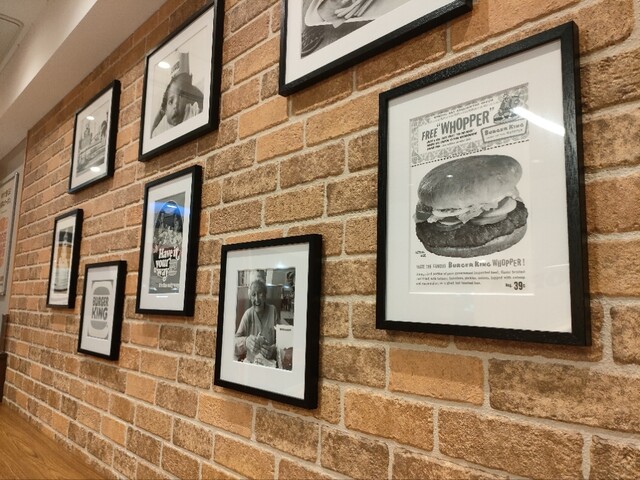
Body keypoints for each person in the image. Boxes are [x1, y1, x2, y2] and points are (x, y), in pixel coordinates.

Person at [151, 52, 204, 137]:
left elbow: (203, 104)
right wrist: (160, 114)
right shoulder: (161, 129)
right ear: (164, 110)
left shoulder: (191, 111)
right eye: (171, 101)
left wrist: (190, 89)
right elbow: (153, 135)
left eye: (181, 95)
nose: (176, 104)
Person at [235, 278, 284, 365]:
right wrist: (246, 342)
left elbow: (281, 340)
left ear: (265, 295)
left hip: (270, 364)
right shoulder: (248, 314)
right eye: (253, 295)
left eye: (260, 293)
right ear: (250, 298)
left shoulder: (273, 311)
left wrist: (273, 350)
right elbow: (233, 343)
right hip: (252, 364)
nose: (257, 299)